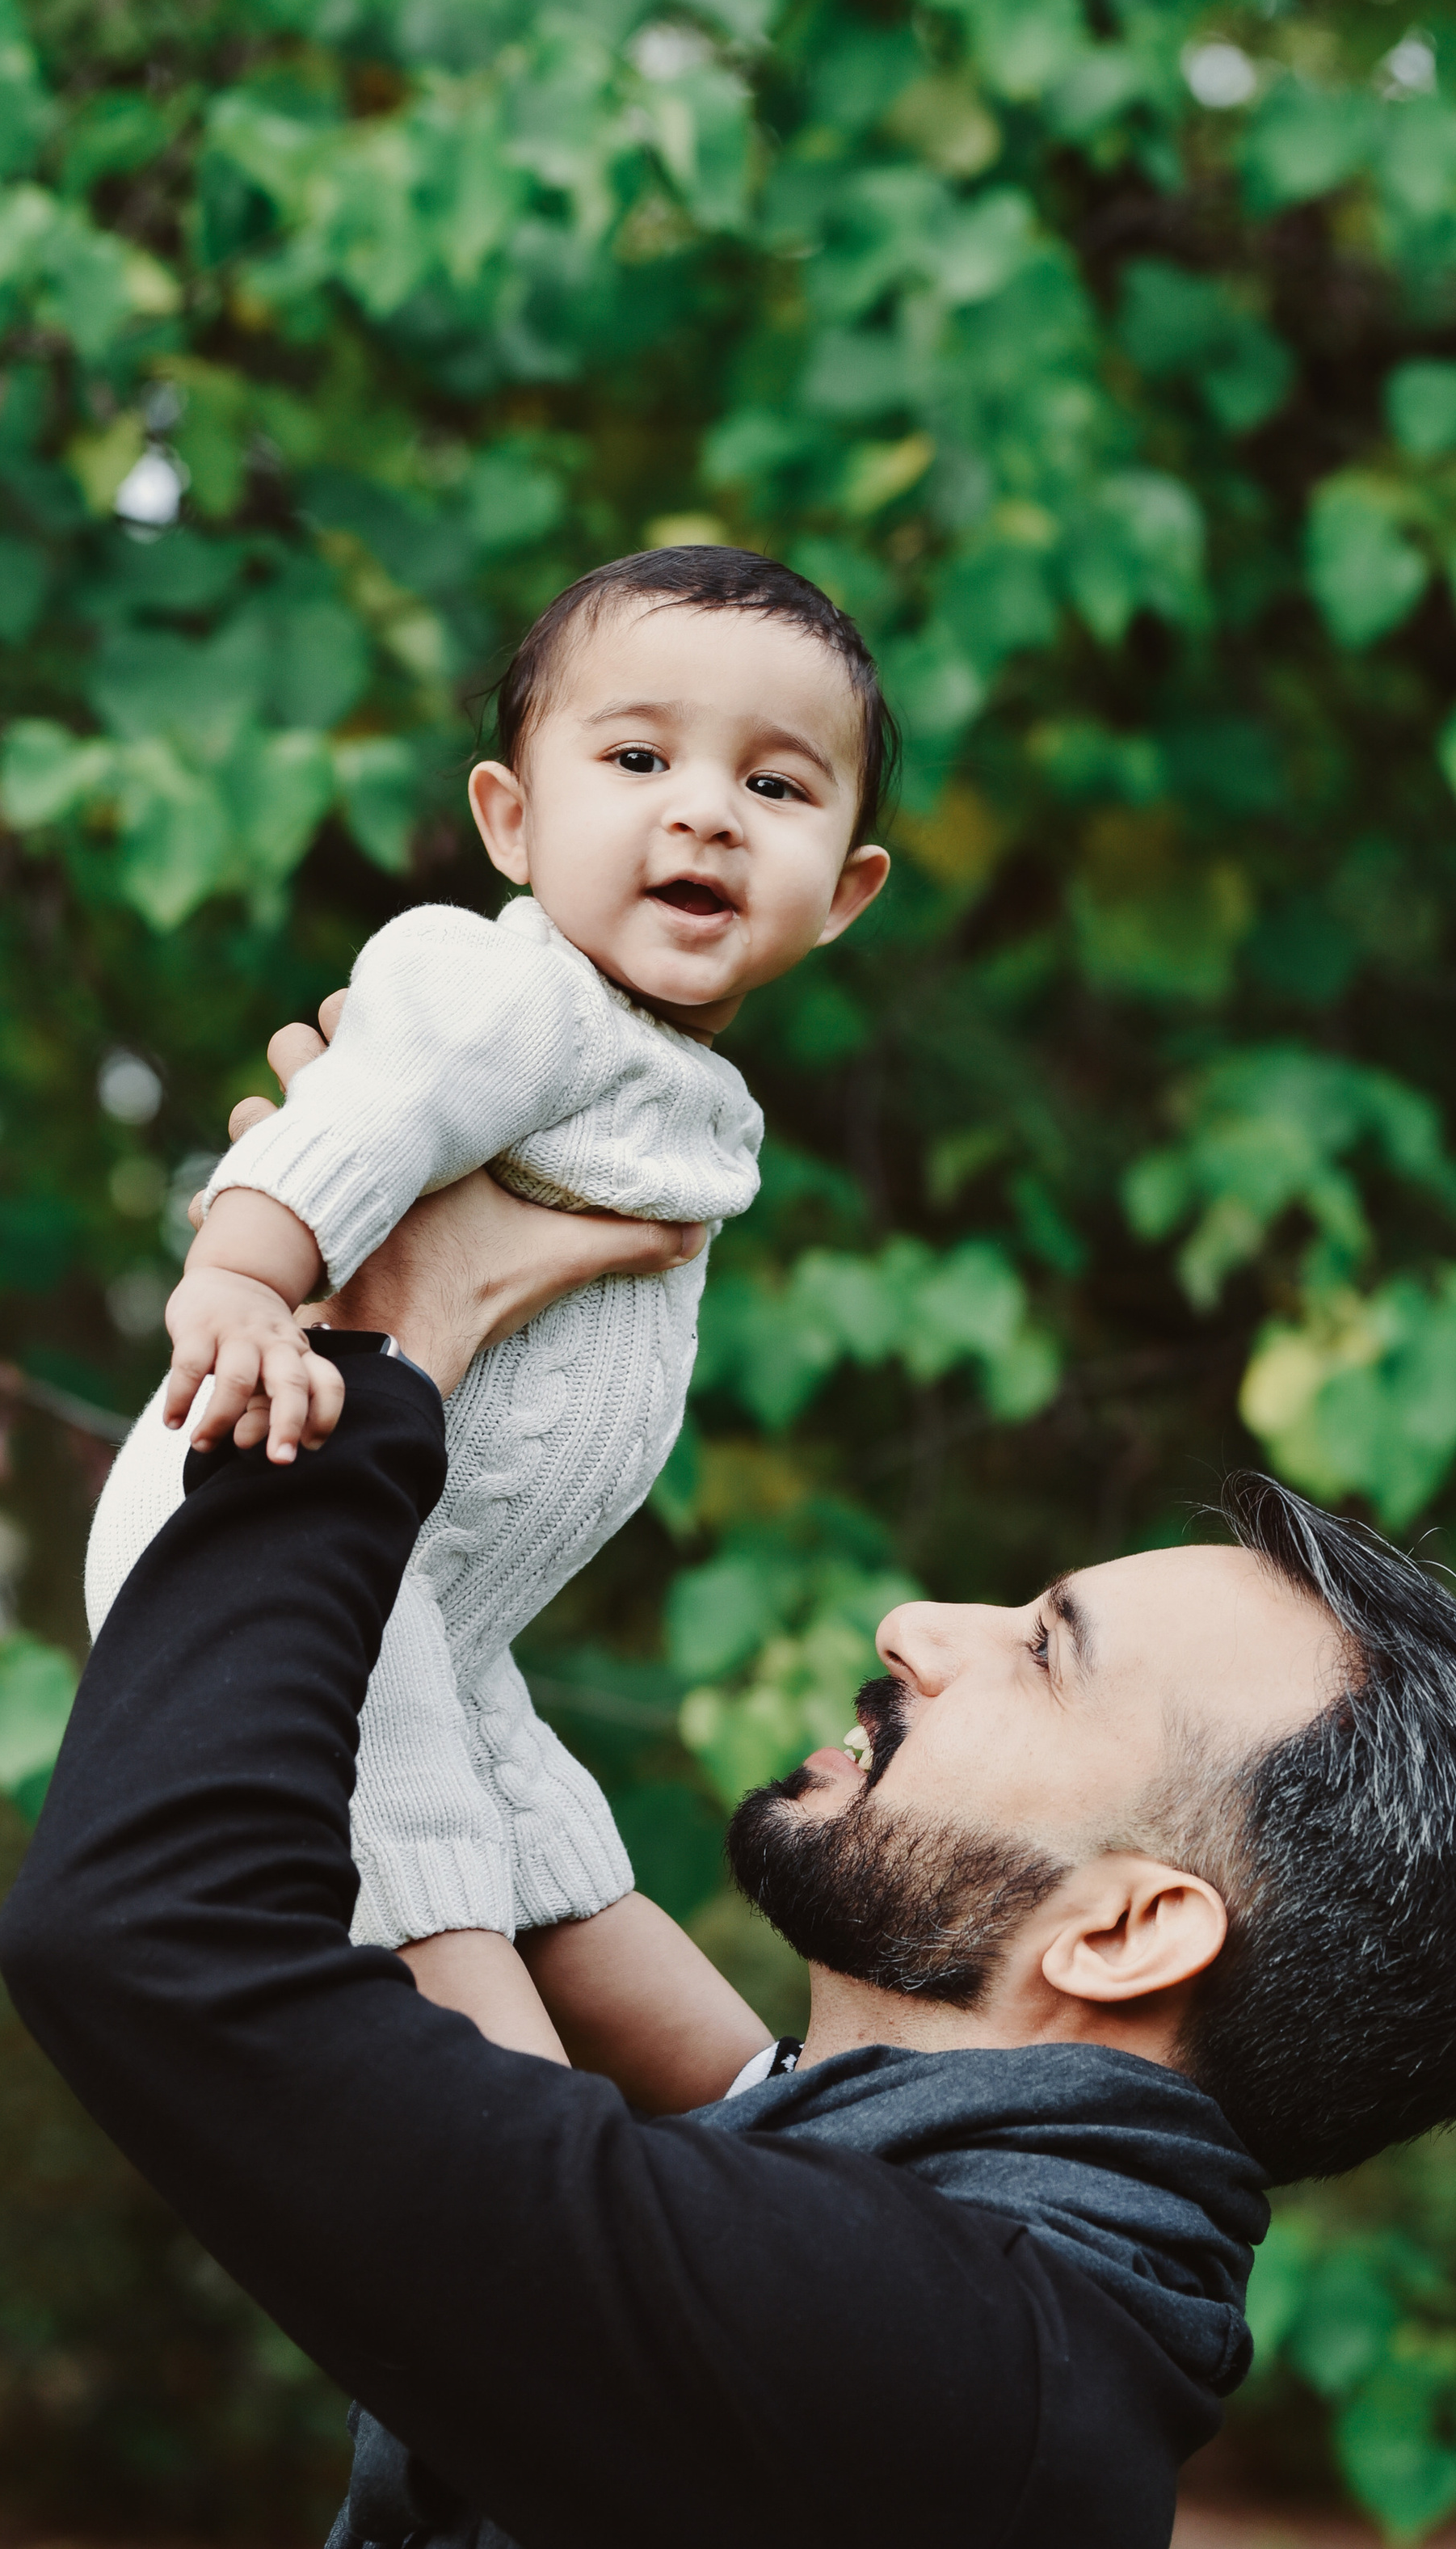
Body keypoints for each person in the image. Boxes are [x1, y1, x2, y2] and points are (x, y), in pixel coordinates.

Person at [0, 1168, 1456, 2549]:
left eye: (1044, 1653)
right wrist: (403, 1262)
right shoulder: (1020, 2321)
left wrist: (378, 1354)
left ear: (1126, 1936)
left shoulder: (918, 2369)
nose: (920, 1626)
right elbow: (528, 1957)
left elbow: (154, 1938)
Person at [82, 544, 892, 2089]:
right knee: (440, 1866)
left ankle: (775, 2110)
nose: (706, 809)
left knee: (554, 1855)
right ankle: (524, 2136)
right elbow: (359, 1115)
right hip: (294, 1500)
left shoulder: (679, 1075)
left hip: (445, 1597)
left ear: (847, 887)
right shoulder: (500, 992)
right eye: (639, 758)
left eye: (778, 787)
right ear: (510, 823)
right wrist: (242, 1282)